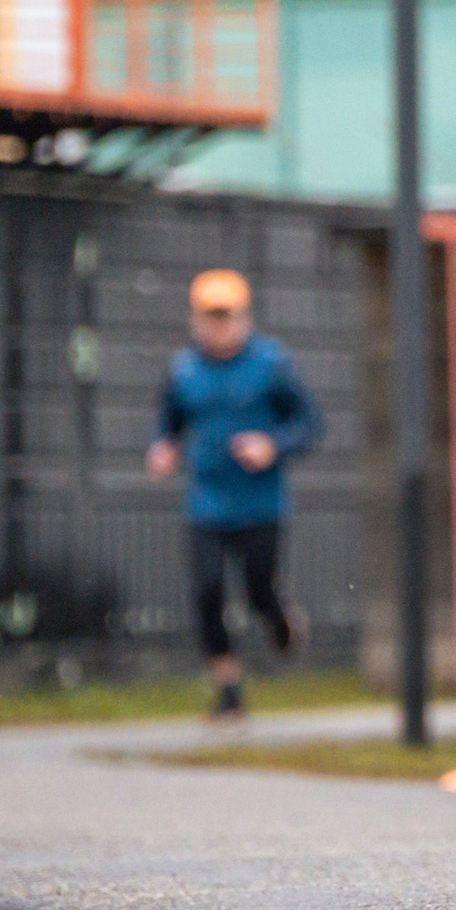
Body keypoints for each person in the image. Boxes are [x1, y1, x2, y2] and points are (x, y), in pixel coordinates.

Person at [147, 269, 323, 722]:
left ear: (244, 318)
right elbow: (169, 421)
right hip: (206, 503)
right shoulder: (184, 369)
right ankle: (228, 690)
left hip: (261, 504)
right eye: (210, 317)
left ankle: (281, 621)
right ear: (195, 319)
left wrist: (273, 446)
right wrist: (163, 448)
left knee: (257, 592)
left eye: (226, 317)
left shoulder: (271, 364)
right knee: (206, 590)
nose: (218, 327)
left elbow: (309, 424)